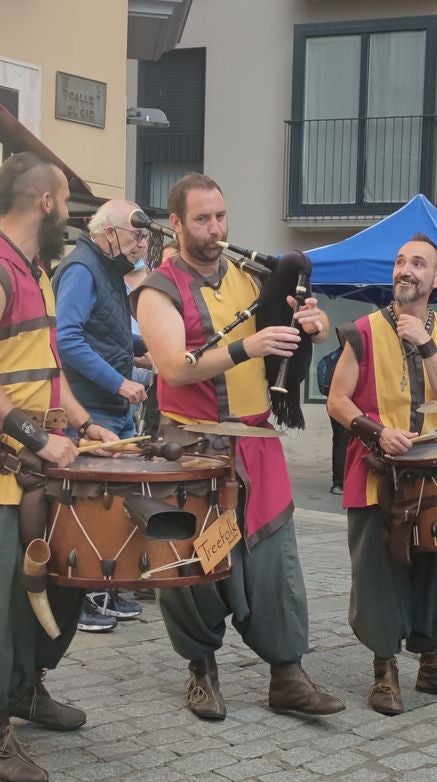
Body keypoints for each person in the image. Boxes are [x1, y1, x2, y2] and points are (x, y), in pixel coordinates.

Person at [134, 172, 344, 721]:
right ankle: (201, 669)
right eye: (202, 219)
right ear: (175, 223)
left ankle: (287, 674)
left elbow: (288, 337)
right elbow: (171, 369)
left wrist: (313, 328)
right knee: (191, 565)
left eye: (221, 216)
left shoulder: (256, 278)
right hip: (192, 449)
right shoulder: (157, 289)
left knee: (277, 561)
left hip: (255, 443)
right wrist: (246, 346)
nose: (215, 229)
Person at [0, 152, 121, 782]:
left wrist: (82, 422)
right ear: (46, 201)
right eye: (66, 204)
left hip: (40, 463)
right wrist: (33, 438)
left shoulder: (36, 271)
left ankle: (27, 689)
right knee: (1, 600)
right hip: (0, 468)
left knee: (51, 585)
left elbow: (46, 369)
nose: (70, 216)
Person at [327, 233, 437, 716]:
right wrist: (375, 432)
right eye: (400, 261)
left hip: (436, 474)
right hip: (378, 468)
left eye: (417, 263)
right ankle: (385, 671)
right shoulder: (362, 329)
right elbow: (338, 400)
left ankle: (436, 665)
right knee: (377, 572)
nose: (405, 269)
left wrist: (425, 345)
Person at [54, 200, 151, 632]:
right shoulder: (82, 269)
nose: (142, 244)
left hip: (110, 406)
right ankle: (87, 597)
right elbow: (68, 341)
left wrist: (149, 351)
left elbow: (106, 334)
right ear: (109, 233)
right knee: (91, 505)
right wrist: (119, 382)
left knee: (112, 504)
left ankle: (104, 589)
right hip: (92, 407)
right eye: (136, 236)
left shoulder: (106, 271)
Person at [316, 335, 346, 495]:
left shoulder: (334, 356)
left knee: (340, 441)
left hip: (332, 404)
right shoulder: (351, 358)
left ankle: (338, 483)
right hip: (348, 405)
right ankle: (341, 482)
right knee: (347, 443)